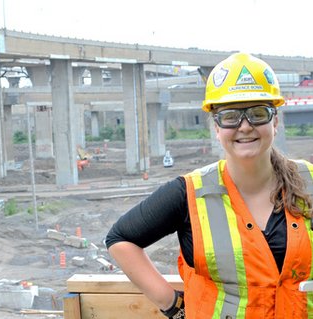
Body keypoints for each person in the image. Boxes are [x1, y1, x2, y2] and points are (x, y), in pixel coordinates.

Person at [105, 52, 313, 319]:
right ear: (216, 127)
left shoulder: (308, 181)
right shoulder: (190, 193)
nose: (245, 126)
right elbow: (120, 239)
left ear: (275, 121)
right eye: (230, 116)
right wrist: (173, 306)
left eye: (258, 113)